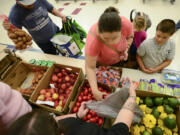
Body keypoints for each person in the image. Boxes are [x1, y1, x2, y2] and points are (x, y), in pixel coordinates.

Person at [6, 79, 137, 135]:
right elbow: (120, 129)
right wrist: (131, 95)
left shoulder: (63, 123)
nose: (56, 119)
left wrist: (76, 116)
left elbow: (57, 120)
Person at [85, 7, 133, 100]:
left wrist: (126, 49)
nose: (111, 42)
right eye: (106, 39)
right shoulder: (93, 41)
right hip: (102, 63)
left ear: (121, 29)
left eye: (115, 37)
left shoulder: (126, 24)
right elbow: (90, 67)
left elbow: (130, 36)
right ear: (99, 31)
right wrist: (95, 91)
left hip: (119, 60)